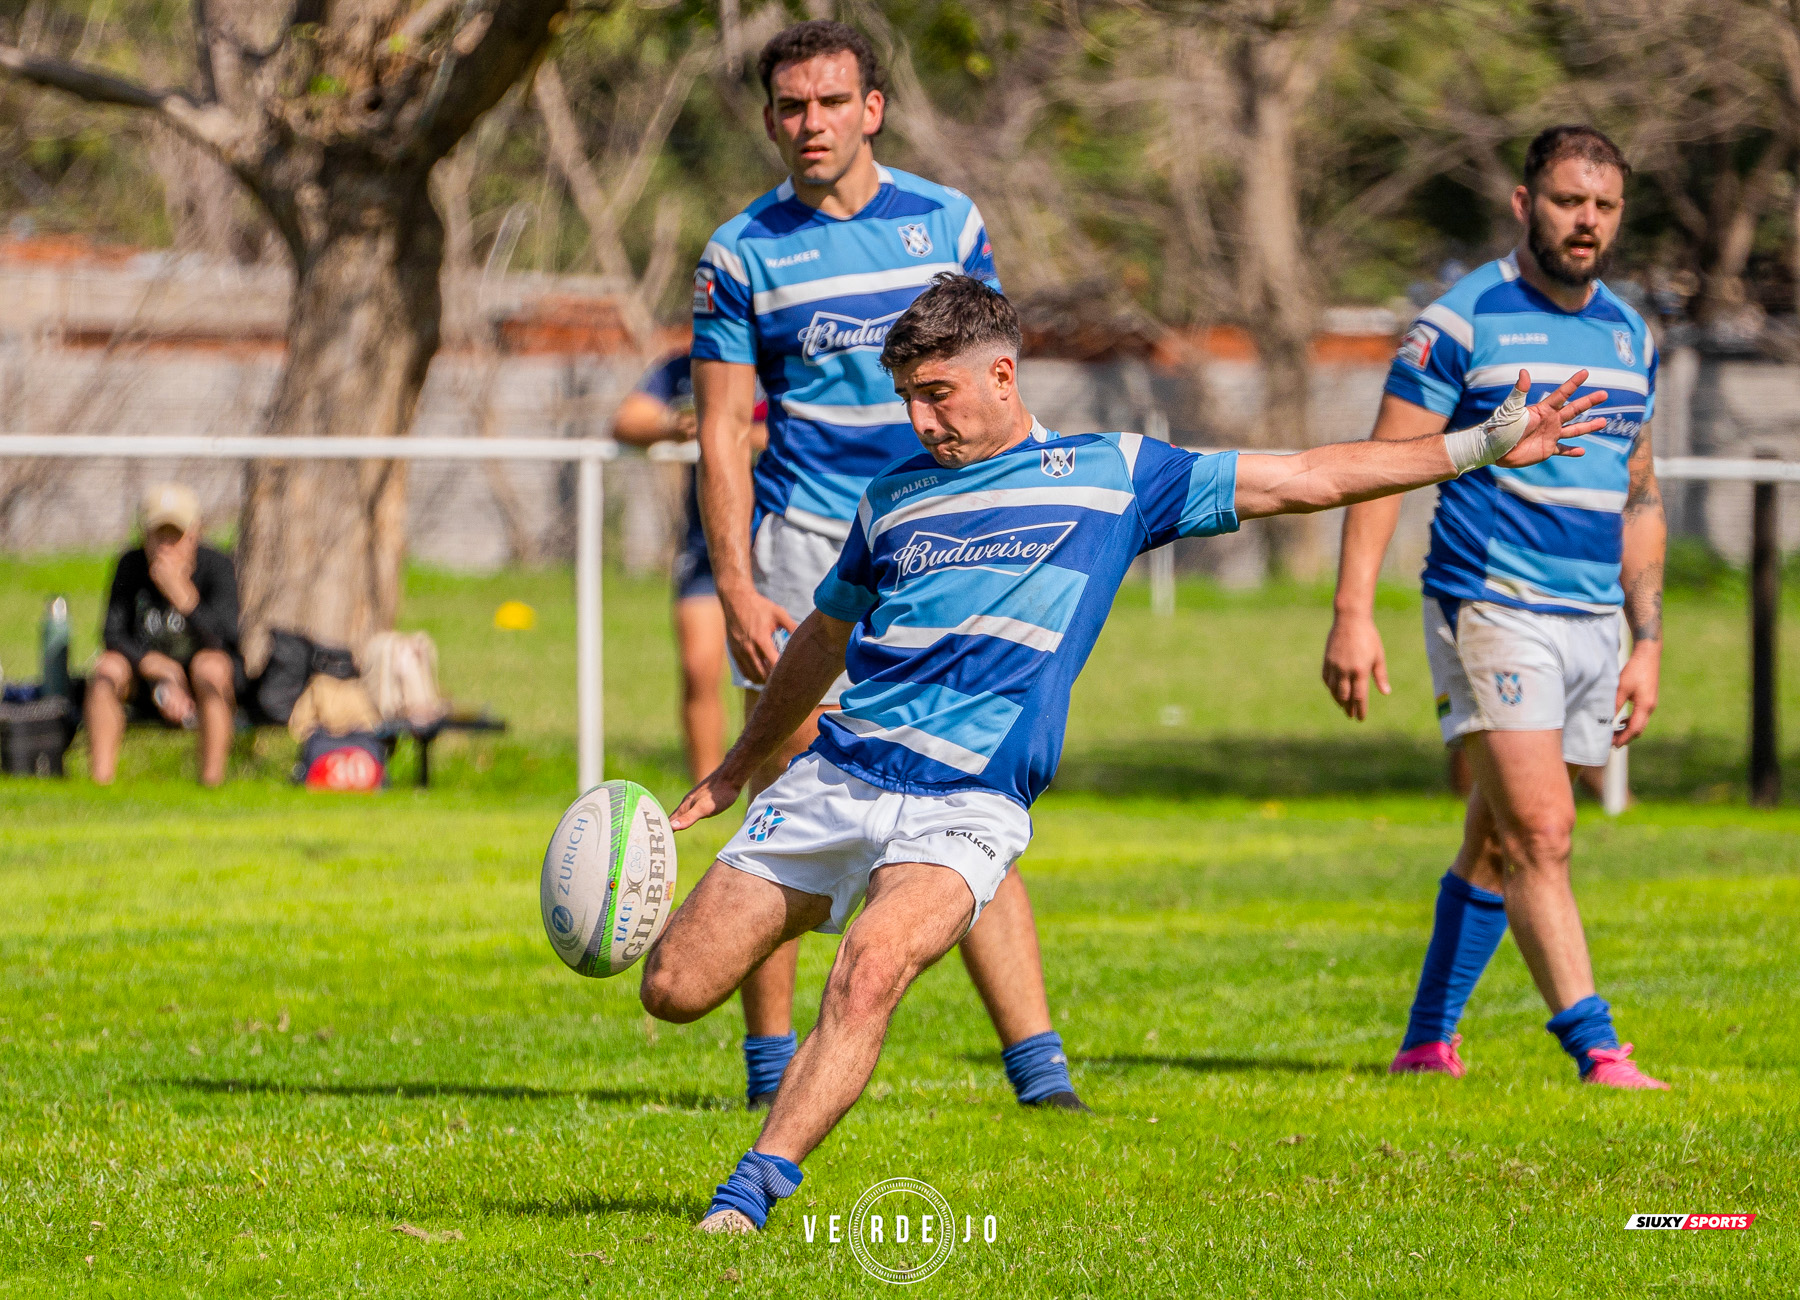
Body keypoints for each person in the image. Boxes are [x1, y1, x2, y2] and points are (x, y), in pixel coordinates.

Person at [643, 272, 1610, 1233]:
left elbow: (1307, 476)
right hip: (841, 774)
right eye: (907, 398)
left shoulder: (1115, 475)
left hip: (967, 804)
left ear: (1003, 375)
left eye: (936, 393)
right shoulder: (891, 498)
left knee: (870, 969)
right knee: (675, 989)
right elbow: (822, 638)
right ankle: (805, 908)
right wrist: (737, 766)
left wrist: (1477, 446)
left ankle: (750, 1193)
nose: (921, 420)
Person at [690, 20, 1083, 1113]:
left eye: (830, 102)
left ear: (872, 108)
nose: (809, 124)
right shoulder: (740, 251)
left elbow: (991, 372)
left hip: (948, 546)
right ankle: (770, 1067)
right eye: (790, 107)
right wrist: (736, 582)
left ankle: (1041, 1075)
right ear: (769, 119)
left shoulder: (947, 222)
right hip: (807, 546)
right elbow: (721, 429)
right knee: (788, 802)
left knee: (963, 786)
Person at [1320, 125, 1669, 1088]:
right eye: (1567, 201)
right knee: (1543, 832)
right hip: (1488, 605)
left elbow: (1641, 495)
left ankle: (1426, 1041)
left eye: (1603, 205)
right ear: (1525, 204)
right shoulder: (1459, 323)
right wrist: (1352, 611)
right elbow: (1380, 470)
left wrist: (1647, 642)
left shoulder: (1632, 335)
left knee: (1497, 835)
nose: (1586, 221)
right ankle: (1597, 1048)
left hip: (1592, 618)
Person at [611, 351, 767, 781]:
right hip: (708, 549)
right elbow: (627, 421)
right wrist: (675, 425)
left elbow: (818, 434)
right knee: (698, 668)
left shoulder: (787, 355)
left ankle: (778, 789)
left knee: (778, 675)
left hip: (784, 540)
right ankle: (706, 790)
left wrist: (730, 432)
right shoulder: (684, 369)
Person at [86, 482, 242, 787]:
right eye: (160, 535)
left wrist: (183, 597)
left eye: (176, 535)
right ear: (145, 536)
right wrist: (158, 667)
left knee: (211, 667)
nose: (166, 546)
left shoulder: (218, 566)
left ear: (194, 534)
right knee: (106, 669)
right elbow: (112, 634)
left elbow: (226, 638)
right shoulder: (130, 566)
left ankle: (211, 784)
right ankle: (101, 782)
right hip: (146, 674)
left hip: (200, 678)